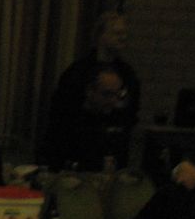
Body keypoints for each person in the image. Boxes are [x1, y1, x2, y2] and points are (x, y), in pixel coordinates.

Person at [48, 12, 140, 148]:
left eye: (124, 33)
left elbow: (132, 110)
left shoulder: (127, 74)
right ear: (100, 36)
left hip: (112, 145)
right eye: (117, 33)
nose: (123, 38)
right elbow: (63, 109)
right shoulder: (78, 72)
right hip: (77, 144)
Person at [38, 66, 131, 173]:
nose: (113, 101)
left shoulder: (116, 120)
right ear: (89, 91)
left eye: (117, 95)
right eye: (107, 94)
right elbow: (50, 159)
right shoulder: (68, 121)